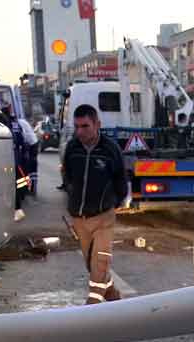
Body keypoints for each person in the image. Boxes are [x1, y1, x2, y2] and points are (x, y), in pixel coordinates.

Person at [61, 104, 128, 305]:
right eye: (77, 127)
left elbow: (120, 180)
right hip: (79, 219)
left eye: (85, 126)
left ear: (97, 124)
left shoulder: (110, 149)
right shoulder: (72, 148)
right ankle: (112, 294)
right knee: (92, 265)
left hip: (103, 217)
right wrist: (71, 195)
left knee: (100, 260)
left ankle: (93, 303)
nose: (80, 132)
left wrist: (113, 203)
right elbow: (67, 176)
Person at [3, 105, 37, 220]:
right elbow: (21, 141)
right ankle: (22, 195)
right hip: (18, 157)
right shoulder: (16, 124)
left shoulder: (3, 124)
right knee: (20, 179)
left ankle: (17, 205)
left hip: (10, 159)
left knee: (14, 182)